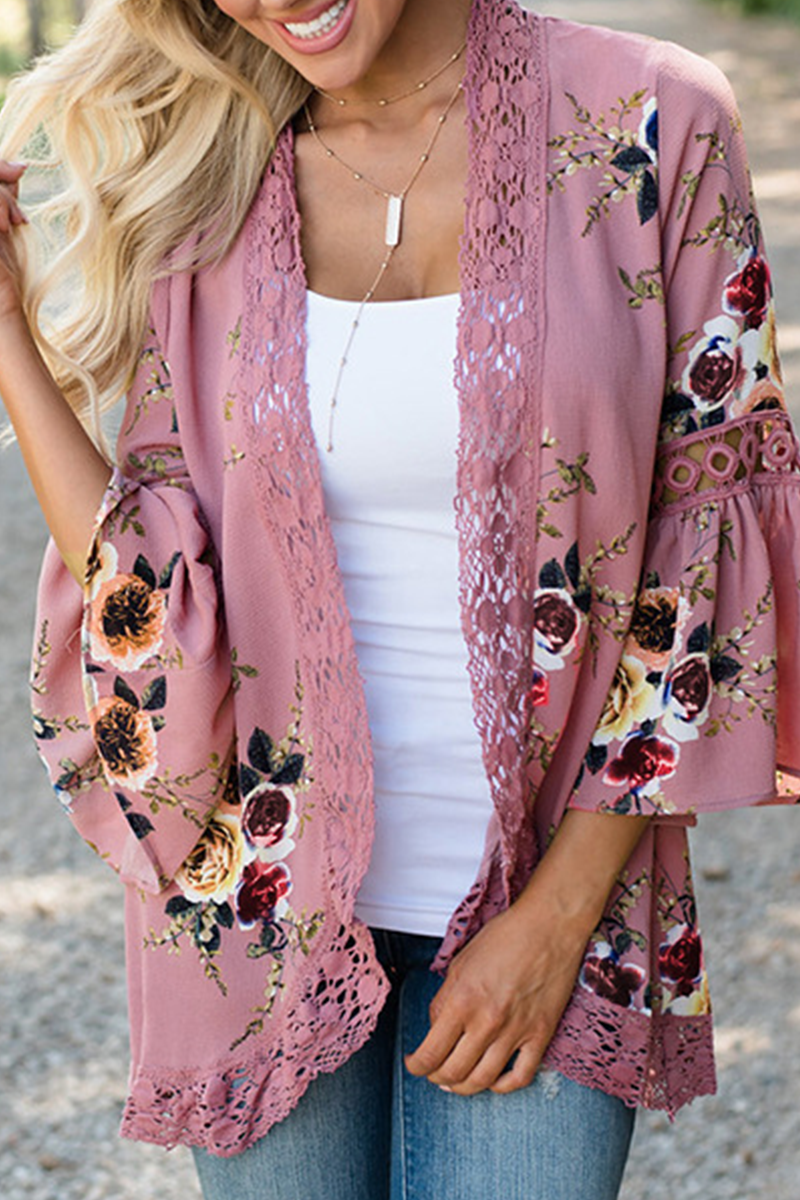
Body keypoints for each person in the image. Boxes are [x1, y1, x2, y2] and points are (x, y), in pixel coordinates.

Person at [1, 0, 798, 1196]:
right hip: (260, 912)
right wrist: (5, 327)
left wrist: (555, 918)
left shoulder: (648, 118)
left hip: (551, 896)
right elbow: (146, 587)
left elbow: (700, 552)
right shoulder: (208, 169)